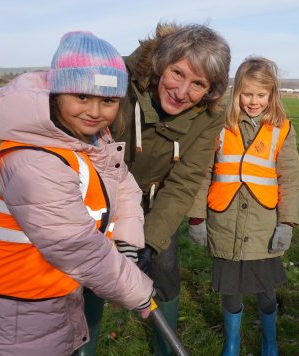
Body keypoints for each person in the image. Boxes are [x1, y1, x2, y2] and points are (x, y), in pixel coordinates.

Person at [0, 31, 154, 355]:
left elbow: (123, 183)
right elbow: (75, 247)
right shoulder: (33, 159)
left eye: (108, 100)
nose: (95, 111)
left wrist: (126, 241)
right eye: (81, 96)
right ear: (55, 93)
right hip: (13, 305)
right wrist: (135, 288)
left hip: (50, 291)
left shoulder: (86, 139)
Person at [114, 22, 231, 355]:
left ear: (211, 90)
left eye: (198, 84)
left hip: (154, 204)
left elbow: (184, 182)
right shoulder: (120, 81)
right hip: (101, 195)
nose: (182, 92)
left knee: (163, 272)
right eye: (177, 73)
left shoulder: (208, 117)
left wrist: (148, 242)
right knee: (89, 279)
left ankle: (163, 348)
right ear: (160, 63)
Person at [186, 57, 299, 355]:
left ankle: (269, 340)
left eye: (260, 95)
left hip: (264, 227)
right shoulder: (219, 126)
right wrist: (196, 217)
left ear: (271, 95)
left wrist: (287, 223)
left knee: (266, 288)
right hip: (223, 223)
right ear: (236, 92)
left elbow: (290, 178)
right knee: (230, 288)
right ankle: (233, 341)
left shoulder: (282, 130)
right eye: (247, 94)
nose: (253, 101)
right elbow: (203, 173)